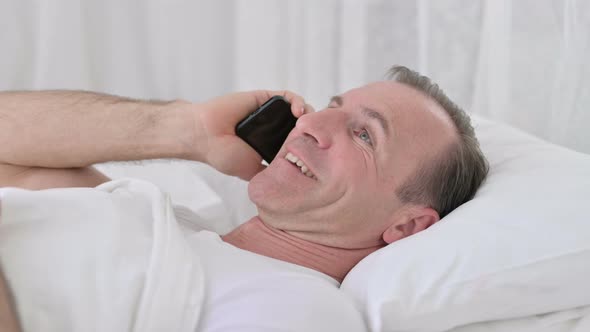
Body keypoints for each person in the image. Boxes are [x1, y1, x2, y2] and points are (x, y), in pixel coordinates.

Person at [0, 66, 489, 331]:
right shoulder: (167, 226)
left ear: (407, 226)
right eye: (332, 108)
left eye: (363, 136)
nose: (311, 124)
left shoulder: (298, 309)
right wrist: (188, 130)